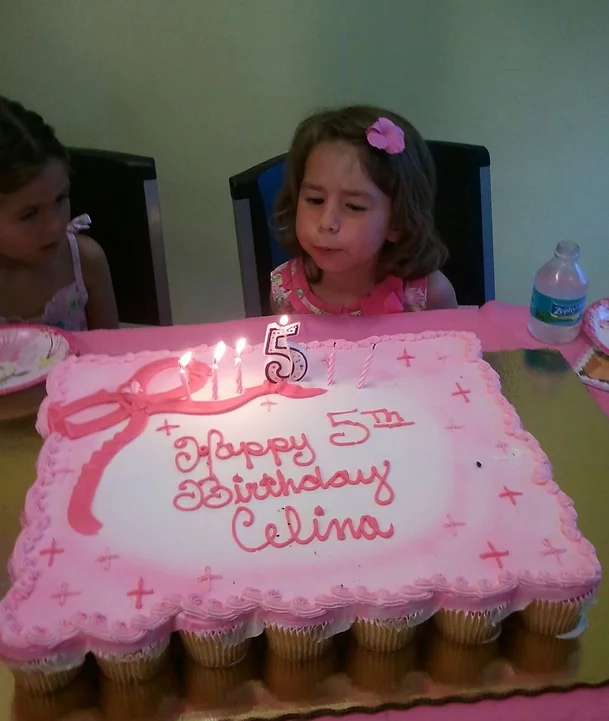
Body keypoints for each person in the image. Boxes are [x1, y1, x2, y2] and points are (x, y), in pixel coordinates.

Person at [270, 105, 457, 315]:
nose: (326, 222)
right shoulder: (284, 292)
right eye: (315, 200)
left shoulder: (430, 294)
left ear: (396, 221)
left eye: (354, 206)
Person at [0, 96, 118, 330]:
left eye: (60, 199)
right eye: (29, 214)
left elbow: (112, 352)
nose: (55, 226)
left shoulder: (86, 262)